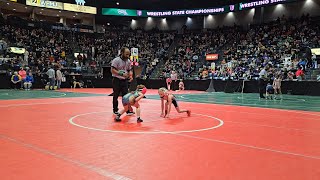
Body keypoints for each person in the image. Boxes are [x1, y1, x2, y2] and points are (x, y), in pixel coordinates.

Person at [111, 47, 134, 115]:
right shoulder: (116, 60)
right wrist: (121, 74)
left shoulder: (128, 61)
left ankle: (127, 110)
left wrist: (130, 76)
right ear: (122, 53)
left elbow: (129, 70)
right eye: (126, 54)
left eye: (128, 54)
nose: (127, 56)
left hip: (124, 81)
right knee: (116, 95)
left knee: (126, 97)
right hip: (116, 80)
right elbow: (112, 70)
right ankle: (115, 110)